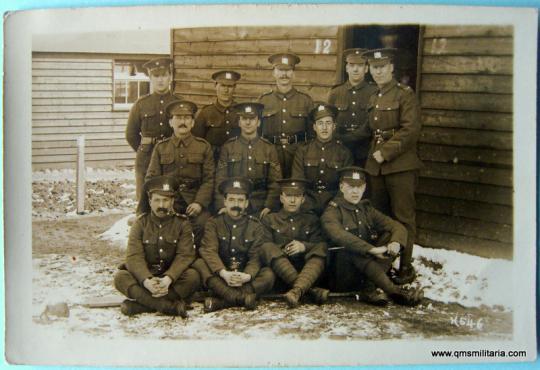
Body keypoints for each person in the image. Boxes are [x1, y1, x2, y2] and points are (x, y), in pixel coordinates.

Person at [362, 48, 423, 285]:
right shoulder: (373, 97)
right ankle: (383, 266)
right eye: (374, 67)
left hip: (400, 166)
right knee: (382, 219)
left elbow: (411, 130)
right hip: (376, 168)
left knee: (403, 218)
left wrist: (385, 153)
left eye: (382, 67)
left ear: (391, 68)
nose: (378, 71)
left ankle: (405, 267)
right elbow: (369, 130)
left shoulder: (405, 95)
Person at [321, 167, 423, 306]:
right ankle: (394, 292)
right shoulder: (332, 212)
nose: (355, 191)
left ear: (364, 188)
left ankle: (369, 288)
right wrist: (372, 250)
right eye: (351, 187)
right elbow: (340, 236)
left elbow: (398, 227)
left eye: (359, 187)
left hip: (366, 272)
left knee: (390, 235)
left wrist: (395, 243)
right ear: (341, 187)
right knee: (351, 248)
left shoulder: (366, 208)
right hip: (341, 274)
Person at [113, 176, 200, 317]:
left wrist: (168, 278)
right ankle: (168, 306)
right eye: (157, 200)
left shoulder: (182, 223)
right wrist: (146, 281)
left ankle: (141, 305)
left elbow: (185, 255)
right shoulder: (140, 223)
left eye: (166, 200)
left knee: (193, 276)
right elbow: (134, 256)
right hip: (146, 277)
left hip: (171, 279)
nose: (162, 205)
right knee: (120, 277)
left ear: (172, 201)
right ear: (149, 202)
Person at [193, 178, 275, 312]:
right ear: (224, 201)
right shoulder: (213, 223)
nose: (235, 204)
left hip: (243, 275)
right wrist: (224, 273)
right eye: (231, 200)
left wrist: (247, 276)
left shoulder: (255, 225)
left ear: (247, 203)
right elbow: (209, 251)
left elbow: (255, 257)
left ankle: (223, 301)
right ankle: (241, 299)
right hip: (221, 274)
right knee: (200, 264)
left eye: (240, 200)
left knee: (268, 274)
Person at [144, 100, 214, 246]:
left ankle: (199, 260)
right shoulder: (161, 148)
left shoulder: (203, 146)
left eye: (187, 118)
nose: (183, 122)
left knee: (204, 224)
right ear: (170, 122)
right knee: (164, 226)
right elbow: (151, 179)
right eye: (178, 117)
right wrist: (165, 202)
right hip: (169, 201)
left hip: (194, 201)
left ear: (193, 122)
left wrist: (199, 203)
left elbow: (209, 179)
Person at [259, 178, 329, 308]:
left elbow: (320, 244)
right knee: (266, 246)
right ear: (281, 198)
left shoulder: (312, 219)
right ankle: (308, 291)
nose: (292, 200)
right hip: (280, 274)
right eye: (288, 196)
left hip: (308, 272)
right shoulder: (270, 219)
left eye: (297, 196)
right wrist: (283, 249)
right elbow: (264, 247)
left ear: (303, 199)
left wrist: (303, 247)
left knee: (322, 247)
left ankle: (296, 291)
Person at [125, 57, 179, 202]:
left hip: (171, 156)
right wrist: (144, 149)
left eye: (164, 75)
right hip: (146, 158)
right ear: (150, 78)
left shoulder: (178, 103)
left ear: (170, 77)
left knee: (169, 196)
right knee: (145, 198)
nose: (160, 80)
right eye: (156, 76)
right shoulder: (141, 104)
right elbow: (131, 134)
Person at [215, 102, 282, 218]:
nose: (248, 122)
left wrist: (269, 206)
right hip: (234, 203)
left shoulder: (269, 148)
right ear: (239, 122)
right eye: (244, 118)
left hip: (260, 204)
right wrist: (222, 205)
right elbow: (220, 179)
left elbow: (275, 182)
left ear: (259, 122)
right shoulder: (228, 147)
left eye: (252, 118)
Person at [258, 53, 314, 177]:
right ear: (274, 73)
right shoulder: (264, 101)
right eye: (280, 70)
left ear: (293, 73)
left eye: (288, 70)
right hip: (271, 155)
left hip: (297, 156)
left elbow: (312, 135)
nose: (284, 74)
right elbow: (257, 133)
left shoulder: (305, 100)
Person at [291, 103, 353, 215]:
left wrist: (334, 205)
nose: (324, 128)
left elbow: (346, 185)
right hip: (307, 203)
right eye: (320, 123)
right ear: (314, 127)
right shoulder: (303, 151)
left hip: (334, 204)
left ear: (334, 126)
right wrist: (306, 204)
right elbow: (298, 182)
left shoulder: (344, 152)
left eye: (328, 123)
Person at [328, 49, 378, 166]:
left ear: (366, 69)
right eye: (352, 65)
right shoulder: (335, 92)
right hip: (340, 148)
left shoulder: (374, 92)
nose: (355, 69)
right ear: (347, 68)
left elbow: (374, 121)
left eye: (360, 65)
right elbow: (329, 119)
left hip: (365, 149)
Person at [192, 70, 241, 162]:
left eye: (230, 86)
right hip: (212, 162)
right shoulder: (206, 113)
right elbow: (197, 142)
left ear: (235, 88)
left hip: (236, 162)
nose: (226, 90)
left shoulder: (240, 112)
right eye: (222, 85)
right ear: (215, 86)